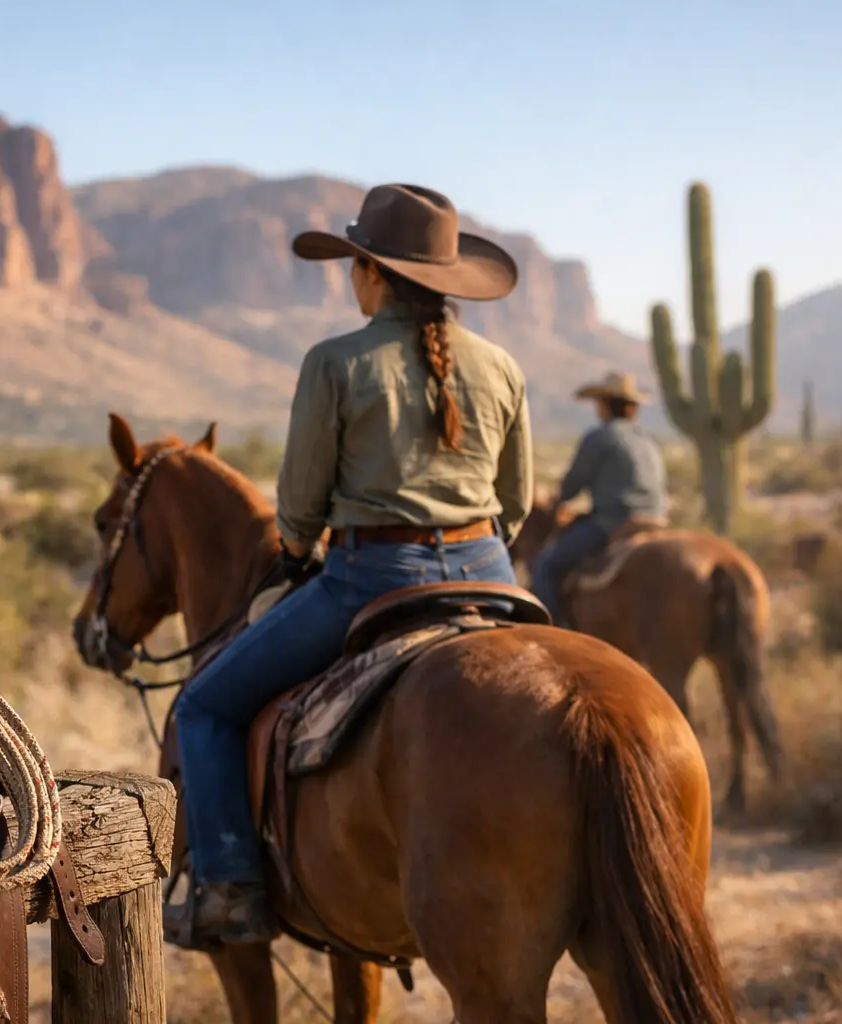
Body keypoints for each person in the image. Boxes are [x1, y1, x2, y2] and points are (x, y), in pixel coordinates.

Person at [165, 184, 533, 948]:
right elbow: (517, 499)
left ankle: (230, 885)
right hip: (490, 570)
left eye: (355, 266)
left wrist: (295, 553)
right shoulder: (501, 364)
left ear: (371, 273)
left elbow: (300, 500)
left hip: (374, 575)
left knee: (203, 706)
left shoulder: (336, 361)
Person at [529, 372, 668, 626]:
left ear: (604, 406)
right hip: (656, 519)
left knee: (545, 566)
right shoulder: (648, 441)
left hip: (614, 522)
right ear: (632, 409)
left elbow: (574, 483)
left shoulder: (600, 437)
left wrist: (558, 501)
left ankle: (554, 632)